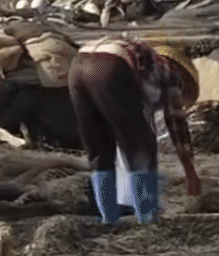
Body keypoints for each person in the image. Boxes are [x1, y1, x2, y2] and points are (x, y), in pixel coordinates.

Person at [68, 35, 201, 225]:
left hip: (78, 66)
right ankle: (147, 221)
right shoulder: (169, 75)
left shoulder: (144, 66)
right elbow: (177, 125)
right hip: (111, 65)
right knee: (141, 148)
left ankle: (108, 220)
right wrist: (190, 170)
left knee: (99, 148)